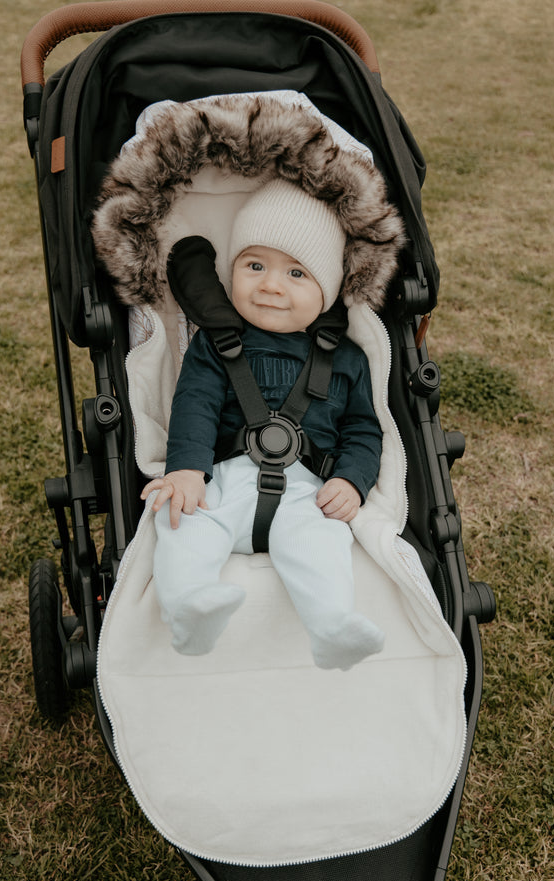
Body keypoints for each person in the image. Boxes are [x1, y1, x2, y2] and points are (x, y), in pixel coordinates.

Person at [141, 179, 385, 670]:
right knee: (179, 518)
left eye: (296, 273)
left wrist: (350, 480)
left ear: (328, 289)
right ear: (231, 272)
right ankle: (189, 606)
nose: (271, 285)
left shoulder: (348, 360)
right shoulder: (216, 344)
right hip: (222, 482)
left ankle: (331, 624)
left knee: (322, 540)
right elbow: (195, 404)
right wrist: (187, 469)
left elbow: (363, 430)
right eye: (254, 266)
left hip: (306, 493)